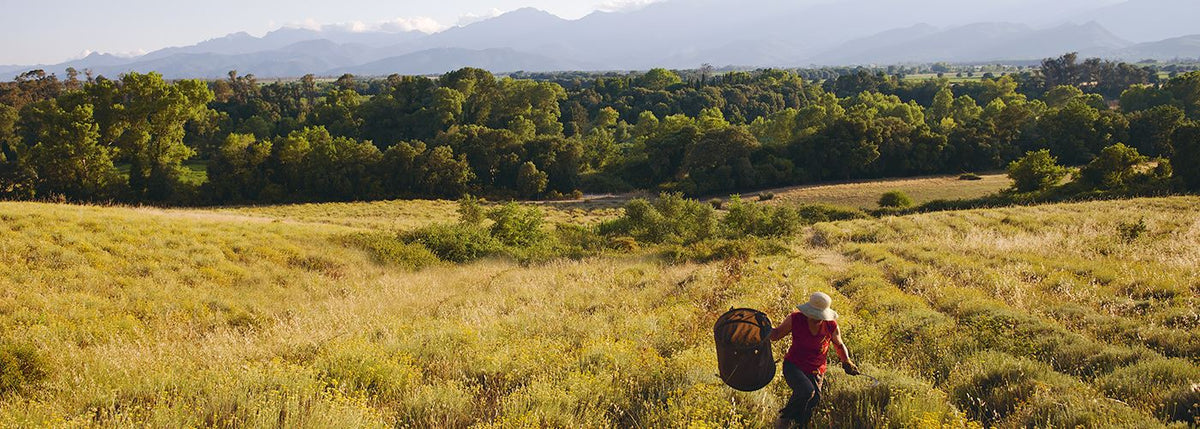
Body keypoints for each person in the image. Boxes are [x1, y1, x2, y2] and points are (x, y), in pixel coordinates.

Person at [768, 292, 859, 429]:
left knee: (813, 401)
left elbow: (839, 345)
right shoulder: (795, 319)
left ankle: (800, 424)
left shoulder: (830, 325)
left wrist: (847, 361)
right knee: (806, 391)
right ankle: (784, 420)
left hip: (816, 369)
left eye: (820, 316)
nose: (817, 319)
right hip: (794, 365)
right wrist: (763, 325)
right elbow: (775, 335)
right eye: (814, 315)